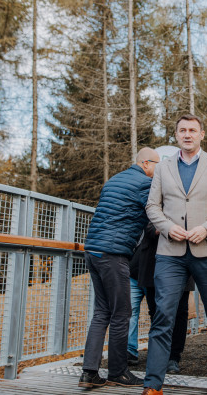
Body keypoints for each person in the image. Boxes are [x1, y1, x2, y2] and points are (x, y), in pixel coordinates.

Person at [143, 115, 207, 395]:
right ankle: (153, 384)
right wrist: (167, 227)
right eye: (182, 130)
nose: (187, 134)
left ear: (202, 135)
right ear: (176, 135)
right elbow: (152, 206)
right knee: (163, 316)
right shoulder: (164, 168)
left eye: (192, 130)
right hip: (170, 253)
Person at [79, 147, 160, 389]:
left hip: (93, 250)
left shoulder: (114, 179)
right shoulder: (144, 184)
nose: (159, 171)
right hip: (113, 254)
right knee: (122, 313)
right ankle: (118, 371)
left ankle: (89, 372)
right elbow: (156, 215)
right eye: (158, 165)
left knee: (102, 312)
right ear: (146, 163)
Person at [135, 223, 193, 375]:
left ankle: (174, 356)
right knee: (156, 312)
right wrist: (166, 228)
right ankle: (158, 355)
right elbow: (147, 228)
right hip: (152, 263)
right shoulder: (151, 201)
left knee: (180, 312)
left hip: (182, 259)